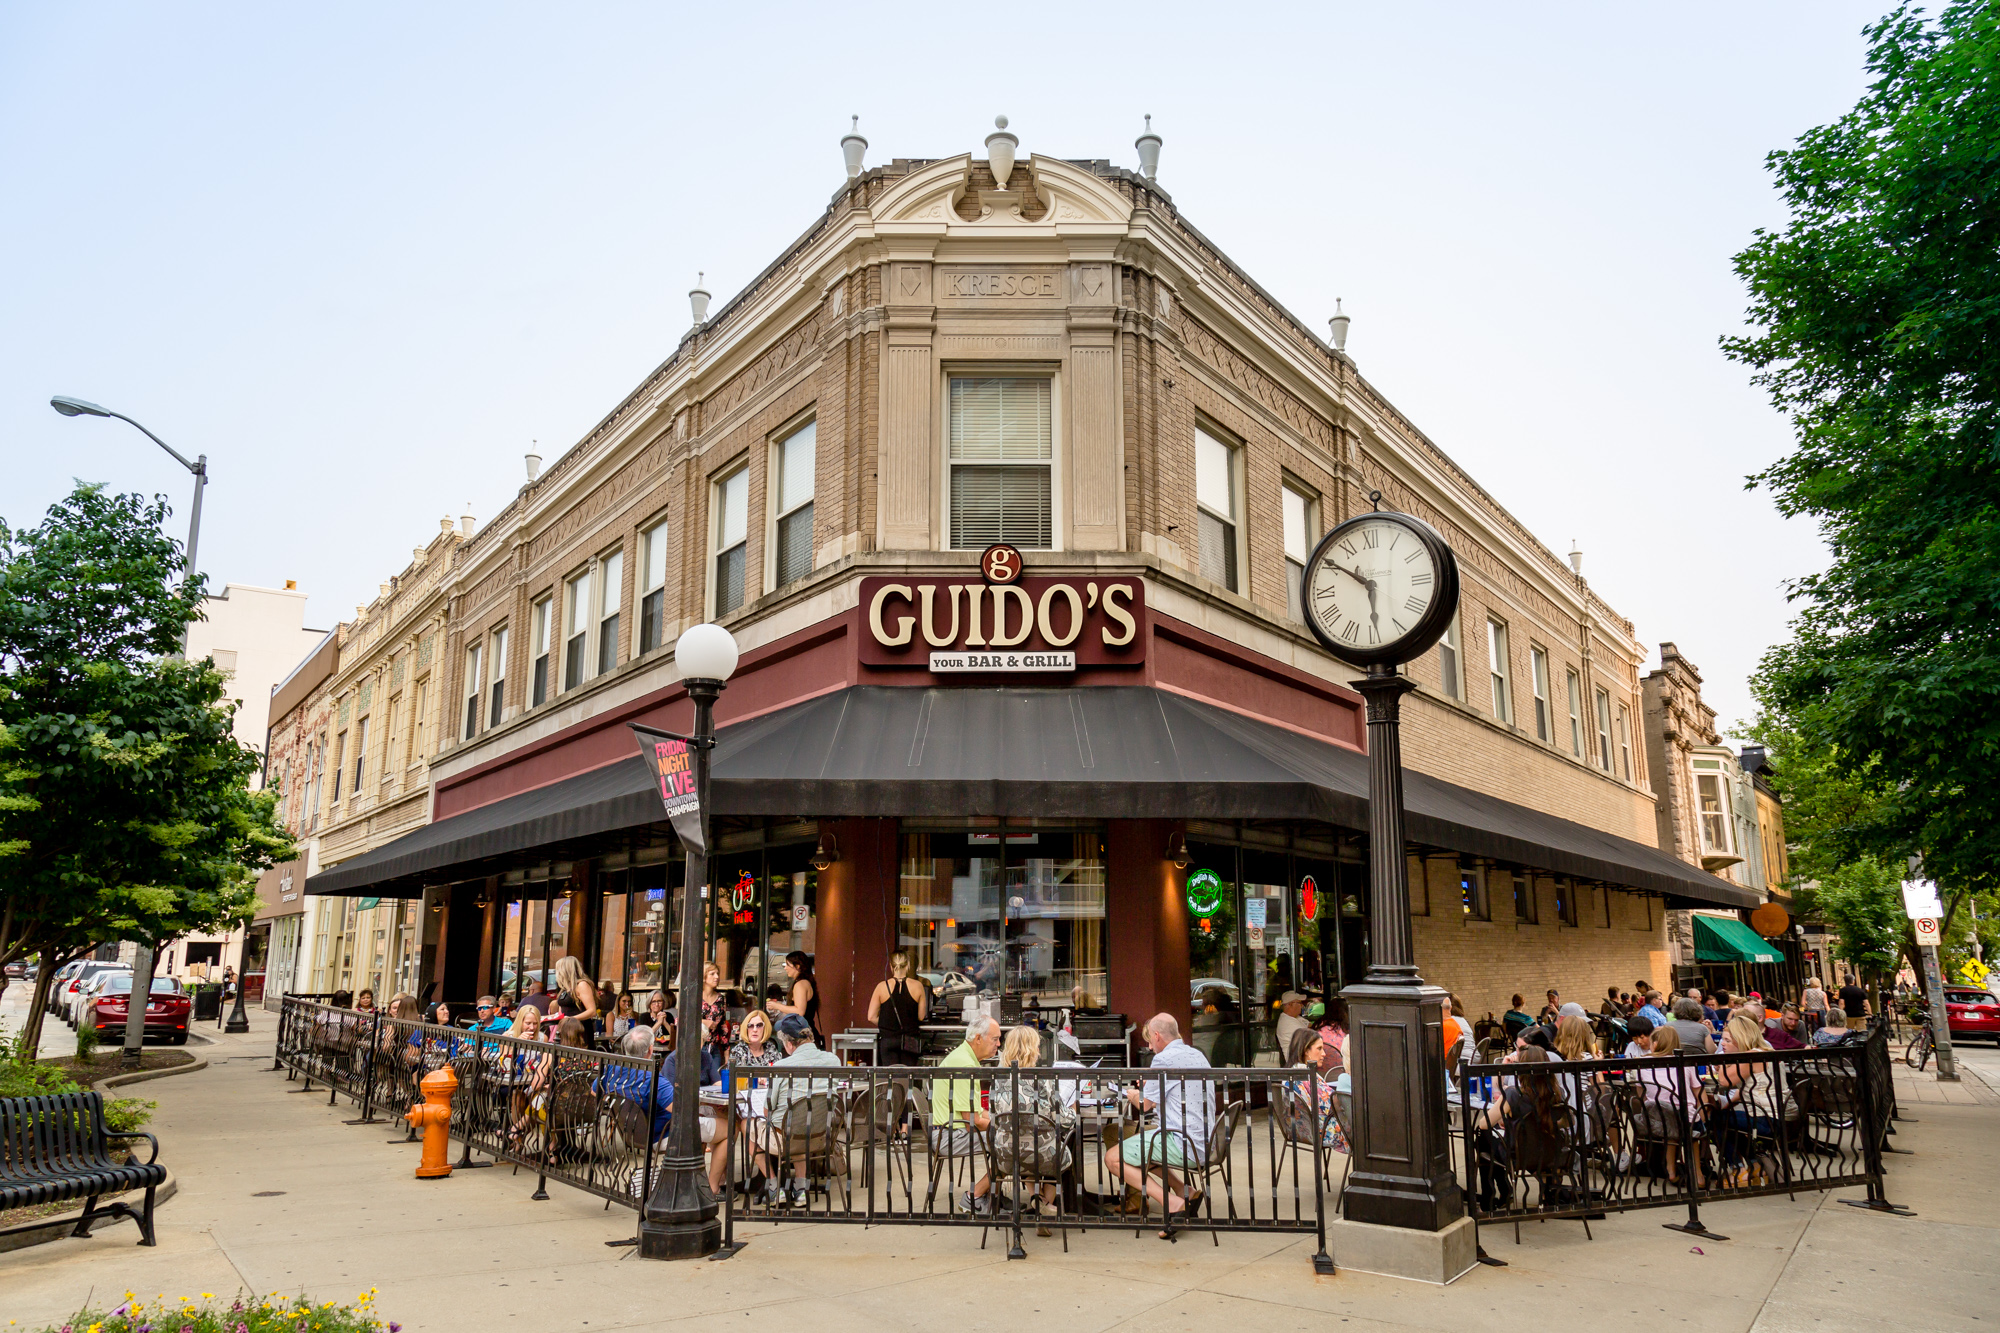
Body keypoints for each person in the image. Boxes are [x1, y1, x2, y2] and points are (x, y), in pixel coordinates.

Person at [1105, 1013, 1214, 1236]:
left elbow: (1145, 1105)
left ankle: (1172, 1203)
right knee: (1136, 1142)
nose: (1149, 1046)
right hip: (1206, 1140)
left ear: (1157, 1036)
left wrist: (1131, 1092)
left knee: (1112, 1158)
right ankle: (1184, 1189)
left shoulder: (1163, 1059)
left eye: (1149, 1041)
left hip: (1183, 1142)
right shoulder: (1197, 1055)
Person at [989, 1025, 1073, 1234]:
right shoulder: (1042, 1079)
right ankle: (1043, 1207)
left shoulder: (997, 1080)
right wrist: (1073, 1110)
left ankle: (1038, 1199)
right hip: (1042, 1153)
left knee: (1023, 1151)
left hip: (1005, 1154)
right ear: (1032, 1048)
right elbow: (1063, 1120)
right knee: (1057, 1152)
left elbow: (994, 1117)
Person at [755, 1013, 843, 1208]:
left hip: (785, 1140)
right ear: (810, 1037)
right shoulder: (833, 1060)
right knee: (801, 1121)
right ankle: (801, 1189)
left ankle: (773, 1186)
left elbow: (768, 1108)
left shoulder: (781, 1066)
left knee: (746, 1124)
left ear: (788, 1044)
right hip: (821, 1137)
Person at [933, 1014, 1003, 1214]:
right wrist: (1004, 1127)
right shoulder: (965, 1065)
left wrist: (999, 1121)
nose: (998, 1044)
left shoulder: (965, 1058)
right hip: (948, 1136)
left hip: (948, 1131)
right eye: (994, 1039)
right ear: (978, 1038)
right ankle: (974, 1196)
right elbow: (971, 1122)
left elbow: (978, 1113)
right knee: (1011, 1143)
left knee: (1008, 1138)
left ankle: (994, 1194)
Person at [1712, 1013, 1775, 1185]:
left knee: (1716, 1119)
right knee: (1725, 1118)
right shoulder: (1765, 1051)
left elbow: (1725, 1081)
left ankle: (1738, 1168)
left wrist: (1723, 1063)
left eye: (1727, 1040)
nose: (1722, 1044)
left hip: (1767, 1118)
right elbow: (1746, 1089)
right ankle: (1754, 1165)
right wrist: (1726, 1105)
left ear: (1740, 1039)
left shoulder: (1752, 1055)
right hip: (1775, 1115)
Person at [1282, 1028, 1348, 1154]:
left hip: (1298, 1131)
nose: (1324, 1053)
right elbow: (1333, 1106)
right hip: (1322, 1131)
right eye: (1319, 1048)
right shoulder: (1308, 1076)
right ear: (1306, 1050)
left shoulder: (1289, 1074)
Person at [867, 950, 928, 1066]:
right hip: (910, 1040)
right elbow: (921, 1016)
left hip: (888, 1039)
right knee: (909, 1076)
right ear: (908, 965)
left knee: (891, 1078)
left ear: (891, 966)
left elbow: (871, 1016)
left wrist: (887, 1025)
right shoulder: (918, 986)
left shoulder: (881, 987)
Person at [768, 951, 820, 1045]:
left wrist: (777, 1006)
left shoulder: (800, 984)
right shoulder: (806, 982)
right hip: (805, 1033)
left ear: (797, 966)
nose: (785, 968)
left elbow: (799, 1011)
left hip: (803, 1035)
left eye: (788, 964)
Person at [699, 963, 733, 1063]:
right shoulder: (694, 996)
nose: (717, 977)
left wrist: (726, 1054)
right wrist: (704, 1022)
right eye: (712, 974)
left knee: (716, 1077)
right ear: (704, 976)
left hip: (714, 1048)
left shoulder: (721, 999)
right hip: (695, 1048)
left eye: (717, 974)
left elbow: (723, 1026)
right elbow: (680, 1020)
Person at [1273, 991, 1310, 1056]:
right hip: (1297, 1059)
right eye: (1299, 1003)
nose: (1301, 1006)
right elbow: (1310, 1037)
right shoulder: (1287, 1022)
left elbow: (1311, 1026)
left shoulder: (1295, 1017)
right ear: (1290, 1004)